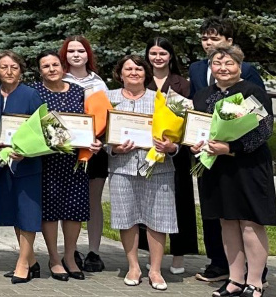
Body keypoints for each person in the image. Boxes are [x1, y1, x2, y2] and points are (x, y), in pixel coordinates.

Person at [188, 18, 266, 285]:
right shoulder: (202, 92)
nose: (222, 68)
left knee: (248, 223)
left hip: (245, 165)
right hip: (213, 165)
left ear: (239, 65)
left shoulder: (250, 88)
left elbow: (262, 127)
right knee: (224, 221)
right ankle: (232, 278)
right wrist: (195, 144)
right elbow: (198, 124)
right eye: (217, 64)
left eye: (229, 63)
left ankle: (255, 280)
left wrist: (231, 147)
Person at [108, 54, 178, 289]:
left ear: (146, 73)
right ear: (120, 73)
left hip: (158, 168)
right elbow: (99, 133)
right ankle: (133, 266)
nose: (134, 73)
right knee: (126, 217)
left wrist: (171, 147)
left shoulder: (162, 100)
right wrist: (113, 149)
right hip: (122, 168)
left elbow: (177, 137)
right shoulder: (108, 98)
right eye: (128, 69)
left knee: (158, 219)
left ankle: (156, 270)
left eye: (139, 69)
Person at [35, 50, 94, 280]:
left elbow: (88, 121)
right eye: (46, 66)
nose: (51, 69)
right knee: (50, 211)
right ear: (40, 71)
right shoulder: (35, 91)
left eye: (55, 65)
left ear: (62, 67)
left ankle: (70, 256)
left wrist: (92, 141)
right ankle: (54, 258)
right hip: (47, 159)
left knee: (74, 210)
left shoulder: (78, 91)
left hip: (74, 161)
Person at [0, 50, 44, 284]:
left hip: (27, 163)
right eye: (4, 67)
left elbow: (41, 130)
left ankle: (22, 264)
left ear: (21, 71)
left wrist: (26, 151)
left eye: (14, 67)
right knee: (13, 212)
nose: (9, 71)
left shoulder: (30, 95)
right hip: (1, 162)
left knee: (27, 213)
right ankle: (31, 260)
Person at [62, 35, 111, 273]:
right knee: (69, 202)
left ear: (88, 54)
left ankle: (94, 251)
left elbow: (108, 116)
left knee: (93, 201)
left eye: (81, 51)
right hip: (68, 150)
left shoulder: (99, 82)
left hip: (95, 149)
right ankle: (70, 251)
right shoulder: (60, 79)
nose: (76, 55)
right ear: (65, 55)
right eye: (71, 51)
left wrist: (100, 140)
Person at [147, 36, 195, 276]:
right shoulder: (141, 80)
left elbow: (189, 120)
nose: (158, 58)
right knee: (148, 202)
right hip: (147, 151)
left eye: (162, 53)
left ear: (170, 56)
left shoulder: (182, 85)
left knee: (180, 202)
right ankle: (151, 254)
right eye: (153, 53)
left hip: (177, 153)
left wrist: (174, 145)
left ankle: (179, 254)